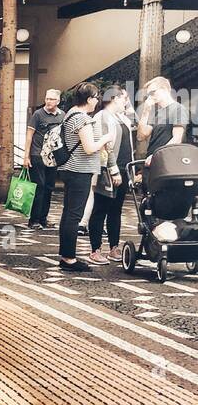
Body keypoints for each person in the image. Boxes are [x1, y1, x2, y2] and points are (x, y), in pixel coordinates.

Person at [56, 82, 116, 273]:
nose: (97, 101)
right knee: (74, 215)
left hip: (70, 169)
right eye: (96, 97)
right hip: (78, 171)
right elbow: (89, 147)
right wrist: (106, 139)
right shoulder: (82, 118)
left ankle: (66, 255)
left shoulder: (70, 114)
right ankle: (69, 258)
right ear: (89, 99)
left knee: (68, 214)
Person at [87, 86, 133, 266]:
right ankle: (95, 249)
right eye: (123, 98)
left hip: (123, 168)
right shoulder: (101, 117)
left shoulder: (121, 117)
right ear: (114, 98)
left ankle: (114, 247)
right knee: (101, 208)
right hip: (107, 169)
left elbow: (132, 123)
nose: (126, 102)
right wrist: (113, 169)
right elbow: (104, 146)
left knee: (116, 209)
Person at [23, 88, 62, 229]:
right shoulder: (38, 114)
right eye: (47, 98)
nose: (48, 101)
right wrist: (26, 156)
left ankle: (43, 219)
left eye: (52, 99)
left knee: (49, 188)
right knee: (39, 187)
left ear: (58, 101)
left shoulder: (61, 115)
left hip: (52, 157)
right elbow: (29, 135)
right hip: (37, 155)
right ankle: (34, 220)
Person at [137, 76, 188, 161]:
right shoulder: (157, 113)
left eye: (152, 92)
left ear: (164, 89)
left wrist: (156, 155)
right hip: (153, 161)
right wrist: (146, 111)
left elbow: (177, 138)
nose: (150, 97)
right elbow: (140, 137)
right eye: (148, 95)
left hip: (167, 162)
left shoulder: (178, 108)